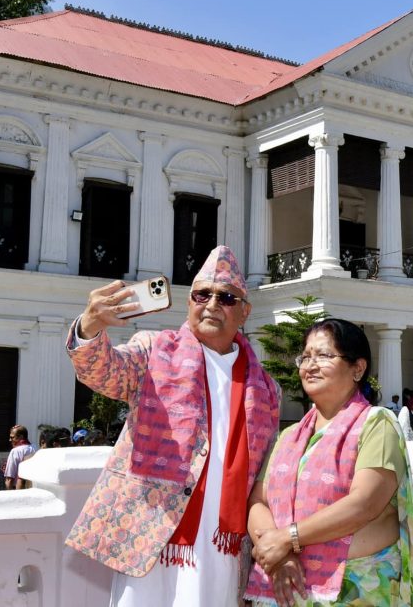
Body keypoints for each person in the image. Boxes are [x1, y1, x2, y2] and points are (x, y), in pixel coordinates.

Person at [65, 245, 280, 607]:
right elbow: (103, 372)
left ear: (244, 312)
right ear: (189, 302)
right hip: (152, 532)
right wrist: (90, 325)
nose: (212, 304)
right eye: (202, 294)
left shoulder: (267, 389)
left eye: (226, 297)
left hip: (222, 544)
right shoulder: (154, 349)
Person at [245, 319, 413, 607]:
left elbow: (364, 503)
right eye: (305, 356)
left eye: (324, 355)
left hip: (359, 590)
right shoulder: (289, 436)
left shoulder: (376, 424)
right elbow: (258, 501)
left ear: (357, 368)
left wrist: (288, 538)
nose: (310, 365)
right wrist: (281, 553)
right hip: (290, 586)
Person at [5, 425, 36, 490]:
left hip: (18, 490)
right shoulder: (35, 448)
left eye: (12, 437)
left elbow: (9, 478)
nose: (10, 440)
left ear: (21, 437)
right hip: (33, 489)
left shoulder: (15, 451)